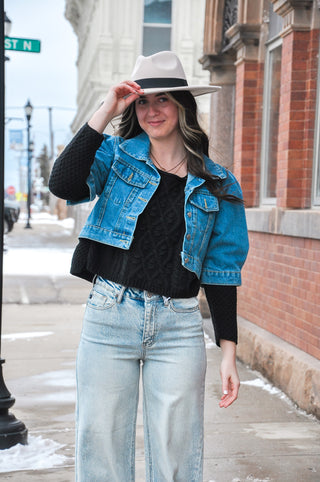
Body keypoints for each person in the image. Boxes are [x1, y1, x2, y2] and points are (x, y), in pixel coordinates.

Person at [49, 50, 249, 482]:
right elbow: (63, 183)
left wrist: (228, 351)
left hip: (177, 326)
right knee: (101, 444)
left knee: (177, 453)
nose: (151, 110)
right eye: (143, 100)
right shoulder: (116, 156)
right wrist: (107, 108)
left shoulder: (218, 182)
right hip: (109, 316)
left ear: (183, 107)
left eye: (163, 99)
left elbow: (221, 269)